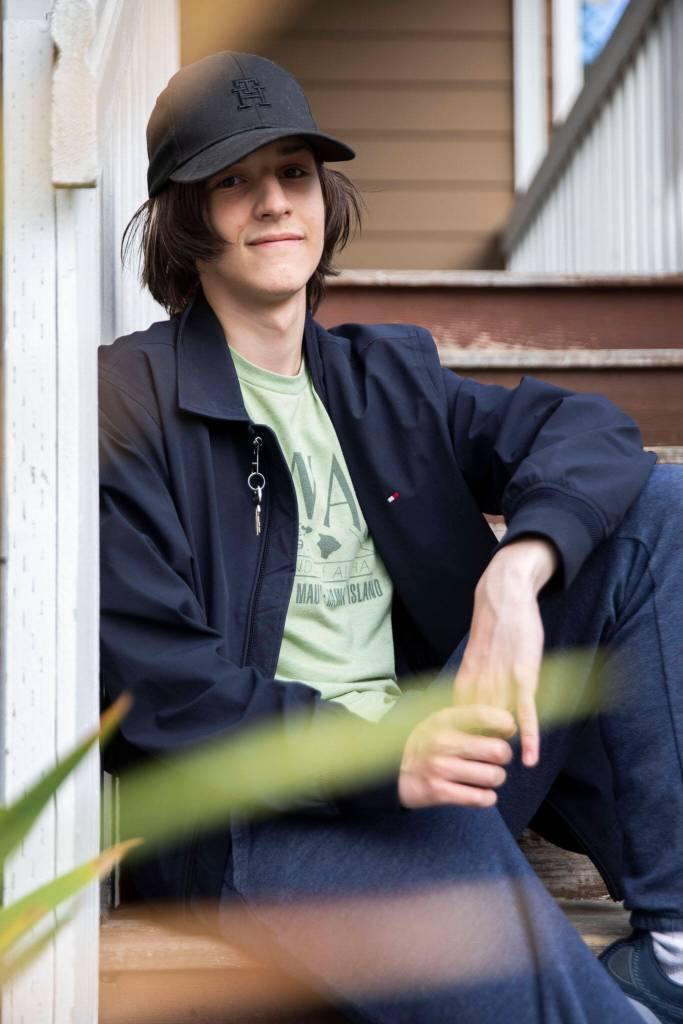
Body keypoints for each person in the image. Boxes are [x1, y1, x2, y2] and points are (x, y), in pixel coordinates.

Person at [98, 51, 683, 1023]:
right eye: (234, 180)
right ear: (183, 215)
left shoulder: (383, 377)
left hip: (441, 747)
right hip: (267, 814)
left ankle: (671, 948)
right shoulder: (130, 401)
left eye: (293, 172)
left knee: (656, 511)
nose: (273, 202)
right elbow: (157, 685)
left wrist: (516, 571)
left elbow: (586, 436)